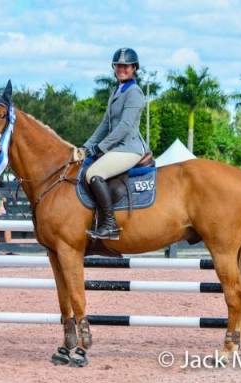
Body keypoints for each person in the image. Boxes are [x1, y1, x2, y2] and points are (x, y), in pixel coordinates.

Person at [82, 47, 149, 240]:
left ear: (134, 67)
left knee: (94, 173)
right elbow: (105, 124)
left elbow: (125, 126)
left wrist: (100, 147)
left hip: (129, 148)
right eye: (118, 65)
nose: (121, 69)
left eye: (126, 66)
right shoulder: (116, 90)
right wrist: (86, 147)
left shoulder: (134, 92)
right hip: (117, 148)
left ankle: (110, 224)